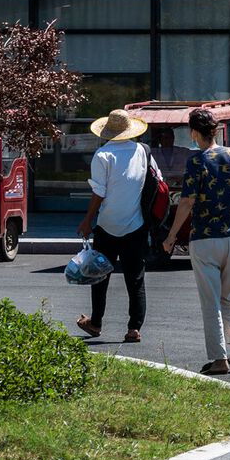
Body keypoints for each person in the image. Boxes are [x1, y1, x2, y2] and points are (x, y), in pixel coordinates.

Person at [160, 107, 230, 375]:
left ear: (194, 132)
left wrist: (172, 235)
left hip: (206, 239)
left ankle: (219, 358)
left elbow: (186, 202)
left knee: (210, 301)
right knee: (229, 295)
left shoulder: (196, 162)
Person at [74, 107, 154, 343]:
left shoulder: (103, 155)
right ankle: (134, 328)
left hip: (107, 225)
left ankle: (96, 322)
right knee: (135, 278)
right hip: (136, 224)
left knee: (99, 276)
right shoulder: (143, 151)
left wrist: (88, 220)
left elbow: (99, 192)